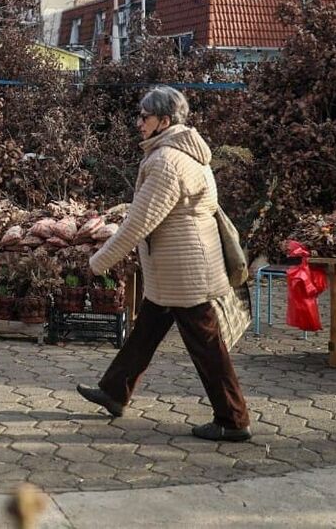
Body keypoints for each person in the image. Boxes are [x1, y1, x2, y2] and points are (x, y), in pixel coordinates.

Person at [77, 86, 251, 442]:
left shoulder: (166, 162)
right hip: (175, 270)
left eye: (145, 116)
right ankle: (114, 391)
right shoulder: (181, 153)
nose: (138, 122)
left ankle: (233, 420)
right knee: (147, 331)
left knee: (207, 346)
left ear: (165, 121)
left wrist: (97, 263)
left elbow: (138, 223)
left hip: (187, 274)